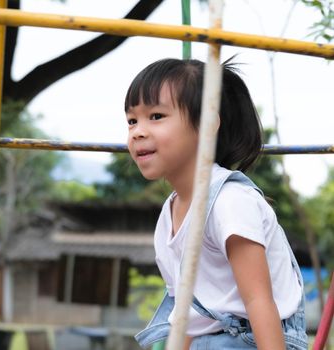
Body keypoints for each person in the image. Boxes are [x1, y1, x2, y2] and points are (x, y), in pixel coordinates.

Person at [126, 58, 308, 350]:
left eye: (156, 116)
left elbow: (258, 300)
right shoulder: (168, 215)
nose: (138, 131)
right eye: (132, 120)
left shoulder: (229, 201)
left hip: (253, 339)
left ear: (208, 123)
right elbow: (188, 314)